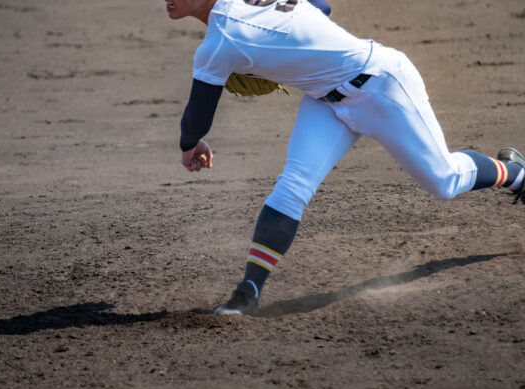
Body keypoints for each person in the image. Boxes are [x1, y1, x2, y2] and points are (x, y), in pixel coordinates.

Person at [166, 0, 525, 315]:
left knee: (444, 181)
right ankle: (249, 291)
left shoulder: (220, 42)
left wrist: (190, 143)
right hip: (324, 101)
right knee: (293, 185)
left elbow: (196, 119)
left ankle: (516, 173)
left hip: (383, 86)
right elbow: (321, 7)